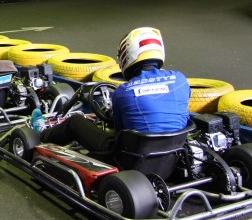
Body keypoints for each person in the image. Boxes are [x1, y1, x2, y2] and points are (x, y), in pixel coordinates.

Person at [31, 27, 191, 153]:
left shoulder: (124, 91)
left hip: (132, 157)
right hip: (175, 151)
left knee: (75, 121)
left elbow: (120, 130)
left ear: (127, 54)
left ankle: (43, 134)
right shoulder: (180, 80)